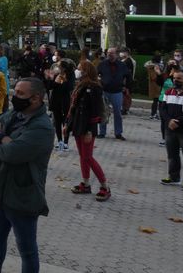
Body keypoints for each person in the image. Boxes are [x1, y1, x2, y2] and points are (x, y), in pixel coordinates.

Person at [0, 77, 54, 273]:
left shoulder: (42, 127)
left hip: (22, 197)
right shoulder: (15, 114)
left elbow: (12, 154)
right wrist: (1, 138)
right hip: (0, 192)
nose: (14, 97)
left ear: (36, 99)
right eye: (15, 92)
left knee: (27, 250)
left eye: (20, 94)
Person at [65, 62, 109, 201]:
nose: (77, 70)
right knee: (82, 156)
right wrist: (68, 124)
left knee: (88, 157)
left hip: (87, 126)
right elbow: (74, 107)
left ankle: (105, 186)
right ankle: (86, 183)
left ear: (86, 71)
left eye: (79, 68)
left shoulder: (94, 88)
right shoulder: (81, 85)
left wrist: (90, 131)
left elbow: (95, 111)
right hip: (78, 123)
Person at [98, 47, 128, 140]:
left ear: (116, 54)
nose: (109, 54)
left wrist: (126, 87)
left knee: (118, 113)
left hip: (117, 92)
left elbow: (128, 76)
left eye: (112, 53)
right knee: (103, 112)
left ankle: (118, 133)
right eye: (108, 53)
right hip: (104, 91)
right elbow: (96, 74)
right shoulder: (102, 64)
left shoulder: (122, 65)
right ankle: (102, 132)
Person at [46, 59, 75, 152]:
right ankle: (59, 141)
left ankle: (66, 142)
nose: (56, 67)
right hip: (55, 100)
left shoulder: (70, 75)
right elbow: (50, 87)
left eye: (58, 66)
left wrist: (62, 80)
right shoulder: (55, 74)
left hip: (65, 100)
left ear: (64, 67)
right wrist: (51, 79)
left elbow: (70, 87)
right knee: (57, 122)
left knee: (65, 122)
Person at [145, 55, 164, 120]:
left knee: (155, 100)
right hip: (156, 85)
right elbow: (154, 77)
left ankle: (153, 114)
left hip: (153, 85)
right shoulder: (155, 67)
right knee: (157, 100)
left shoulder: (150, 66)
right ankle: (154, 114)